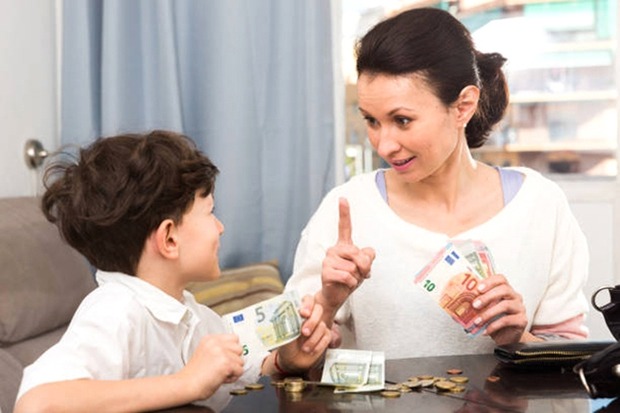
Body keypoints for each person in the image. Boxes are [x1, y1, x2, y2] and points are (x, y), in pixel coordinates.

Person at [285, 7, 589, 360]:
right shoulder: (348, 210)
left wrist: (517, 338)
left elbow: (573, 360)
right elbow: (285, 362)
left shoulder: (540, 205)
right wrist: (326, 303)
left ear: (463, 106)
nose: (384, 145)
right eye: (372, 121)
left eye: (402, 120)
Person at [14, 130, 331, 413]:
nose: (220, 227)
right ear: (169, 239)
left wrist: (282, 362)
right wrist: (187, 382)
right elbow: (37, 404)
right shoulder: (116, 310)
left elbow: (237, 371)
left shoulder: (194, 316)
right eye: (210, 212)